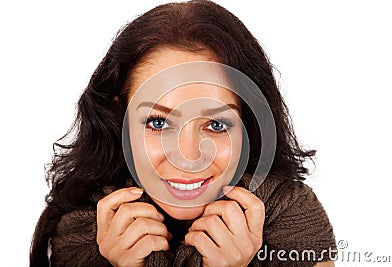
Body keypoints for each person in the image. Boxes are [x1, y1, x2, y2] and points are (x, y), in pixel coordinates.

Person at [30, 1, 336, 266]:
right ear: (120, 118)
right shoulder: (82, 234)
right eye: (158, 123)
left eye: (216, 125)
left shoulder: (292, 220)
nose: (188, 157)